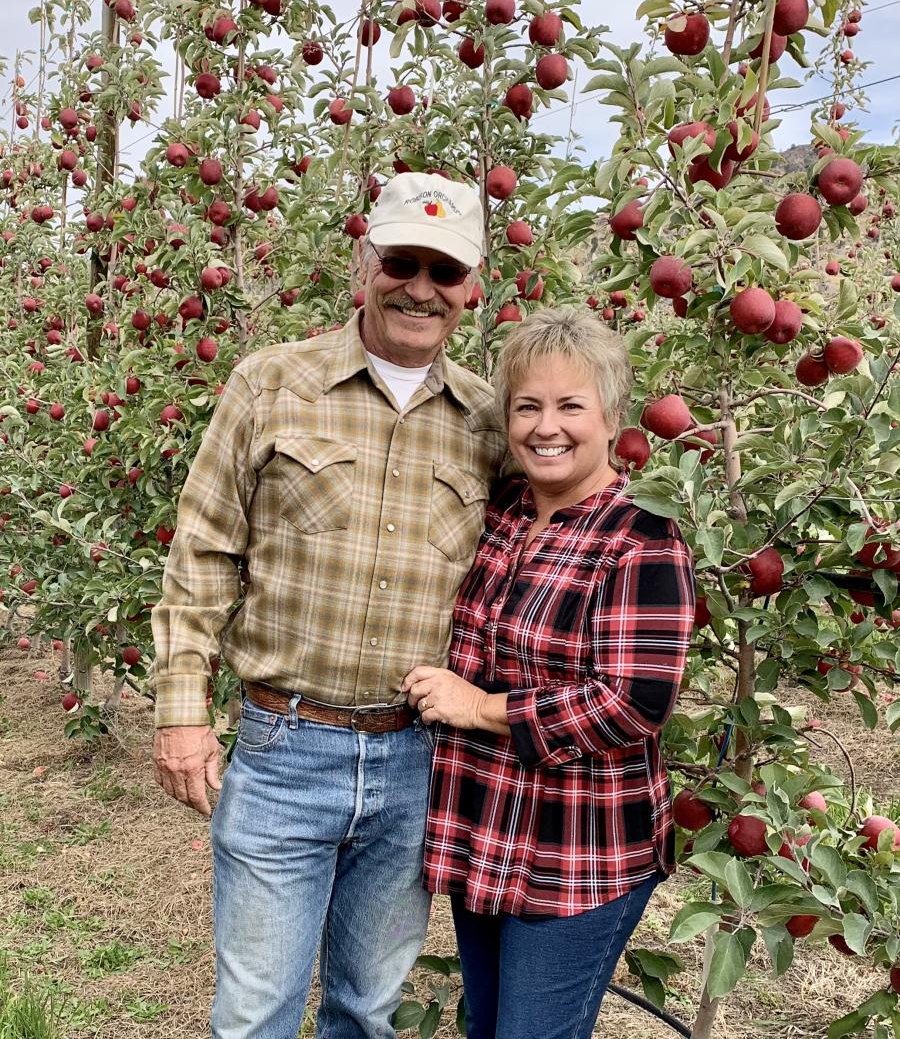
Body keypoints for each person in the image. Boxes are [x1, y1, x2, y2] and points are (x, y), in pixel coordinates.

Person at [149, 171, 507, 1039]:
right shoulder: (272, 383)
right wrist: (181, 712)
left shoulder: (490, 422)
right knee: (255, 1014)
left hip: (416, 758)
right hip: (283, 745)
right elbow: (203, 551)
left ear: (473, 291)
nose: (420, 287)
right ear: (365, 262)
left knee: (367, 1009)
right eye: (402, 261)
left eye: (445, 271)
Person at [402, 306, 695, 1039]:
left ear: (611, 416)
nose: (546, 426)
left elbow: (633, 705)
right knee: (489, 1027)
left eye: (571, 405)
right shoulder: (501, 513)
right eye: (527, 406)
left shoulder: (641, 535)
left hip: (579, 852)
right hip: (483, 830)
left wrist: (480, 709)